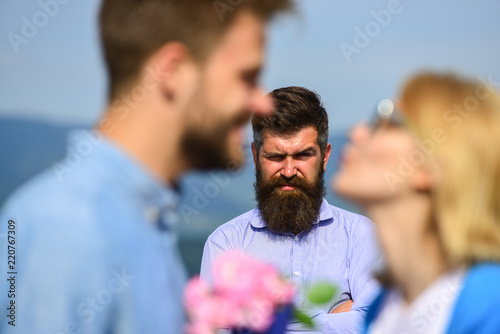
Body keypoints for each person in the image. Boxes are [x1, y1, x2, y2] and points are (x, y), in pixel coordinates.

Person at [0, 0, 292, 333]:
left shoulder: (141, 218)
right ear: (174, 72)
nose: (263, 102)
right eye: (247, 77)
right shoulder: (66, 228)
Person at [201, 86, 382, 333]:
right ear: (255, 156)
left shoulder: (361, 235)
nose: (288, 171)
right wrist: (333, 319)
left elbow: (376, 324)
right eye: (275, 156)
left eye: (302, 155)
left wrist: (260, 325)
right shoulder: (225, 244)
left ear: (325, 156)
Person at [333, 72, 500, 333]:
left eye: (387, 122)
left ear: (434, 165)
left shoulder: (491, 307)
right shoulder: (383, 308)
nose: (357, 132)